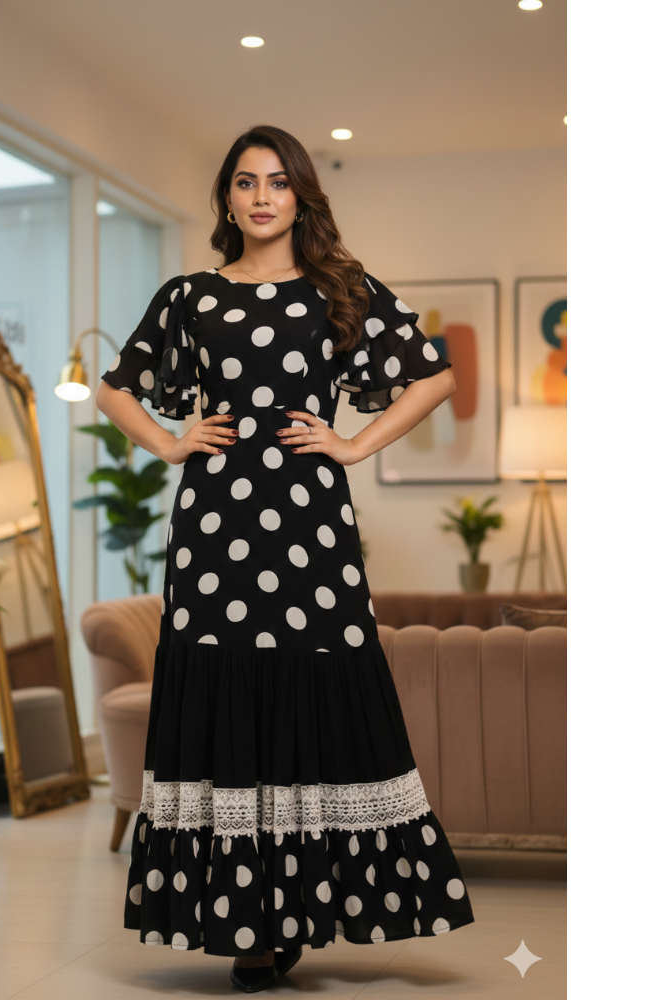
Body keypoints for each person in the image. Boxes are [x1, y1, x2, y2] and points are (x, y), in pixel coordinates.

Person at [96, 125, 473, 994]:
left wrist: (353, 444)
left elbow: (433, 373)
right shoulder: (190, 296)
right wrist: (169, 440)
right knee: (225, 689)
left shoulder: (338, 290)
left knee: (320, 685)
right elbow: (119, 385)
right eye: (244, 182)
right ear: (227, 199)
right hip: (216, 532)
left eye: (277, 181)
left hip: (310, 530)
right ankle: (250, 929)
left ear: (302, 194)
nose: (261, 195)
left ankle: (305, 905)